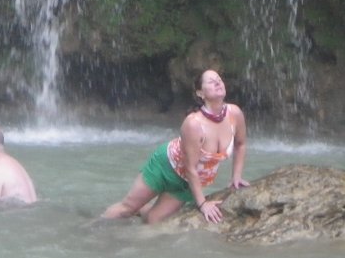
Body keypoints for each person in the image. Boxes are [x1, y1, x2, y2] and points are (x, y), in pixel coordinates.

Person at [102, 69, 249, 224]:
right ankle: (91, 226)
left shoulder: (235, 114)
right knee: (127, 209)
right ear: (200, 93)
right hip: (165, 167)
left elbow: (240, 144)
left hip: (188, 183)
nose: (218, 82)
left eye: (219, 79)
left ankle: (142, 209)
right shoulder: (194, 124)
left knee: (153, 221)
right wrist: (203, 203)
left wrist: (236, 177)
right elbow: (190, 167)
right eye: (211, 81)